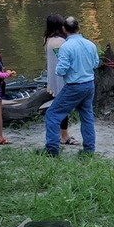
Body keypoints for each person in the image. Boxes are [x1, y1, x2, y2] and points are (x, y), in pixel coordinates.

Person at [43, 17, 97, 157]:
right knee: (87, 117)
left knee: (52, 114)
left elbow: (61, 70)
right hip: (89, 84)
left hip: (74, 86)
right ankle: (89, 150)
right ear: (78, 28)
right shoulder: (90, 44)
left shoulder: (66, 47)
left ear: (64, 29)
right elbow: (96, 63)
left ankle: (52, 150)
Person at [43, 14, 77, 146]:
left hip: (53, 76)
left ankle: (62, 133)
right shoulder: (61, 42)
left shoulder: (47, 39)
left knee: (59, 105)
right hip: (61, 78)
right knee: (64, 107)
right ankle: (64, 135)